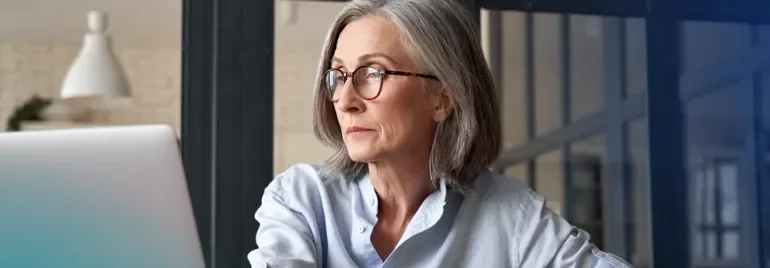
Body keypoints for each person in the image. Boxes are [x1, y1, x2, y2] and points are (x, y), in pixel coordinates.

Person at [248, 0, 634, 267]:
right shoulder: (302, 200)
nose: (345, 99)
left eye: (373, 74)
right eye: (339, 75)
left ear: (442, 97)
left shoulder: (513, 218)